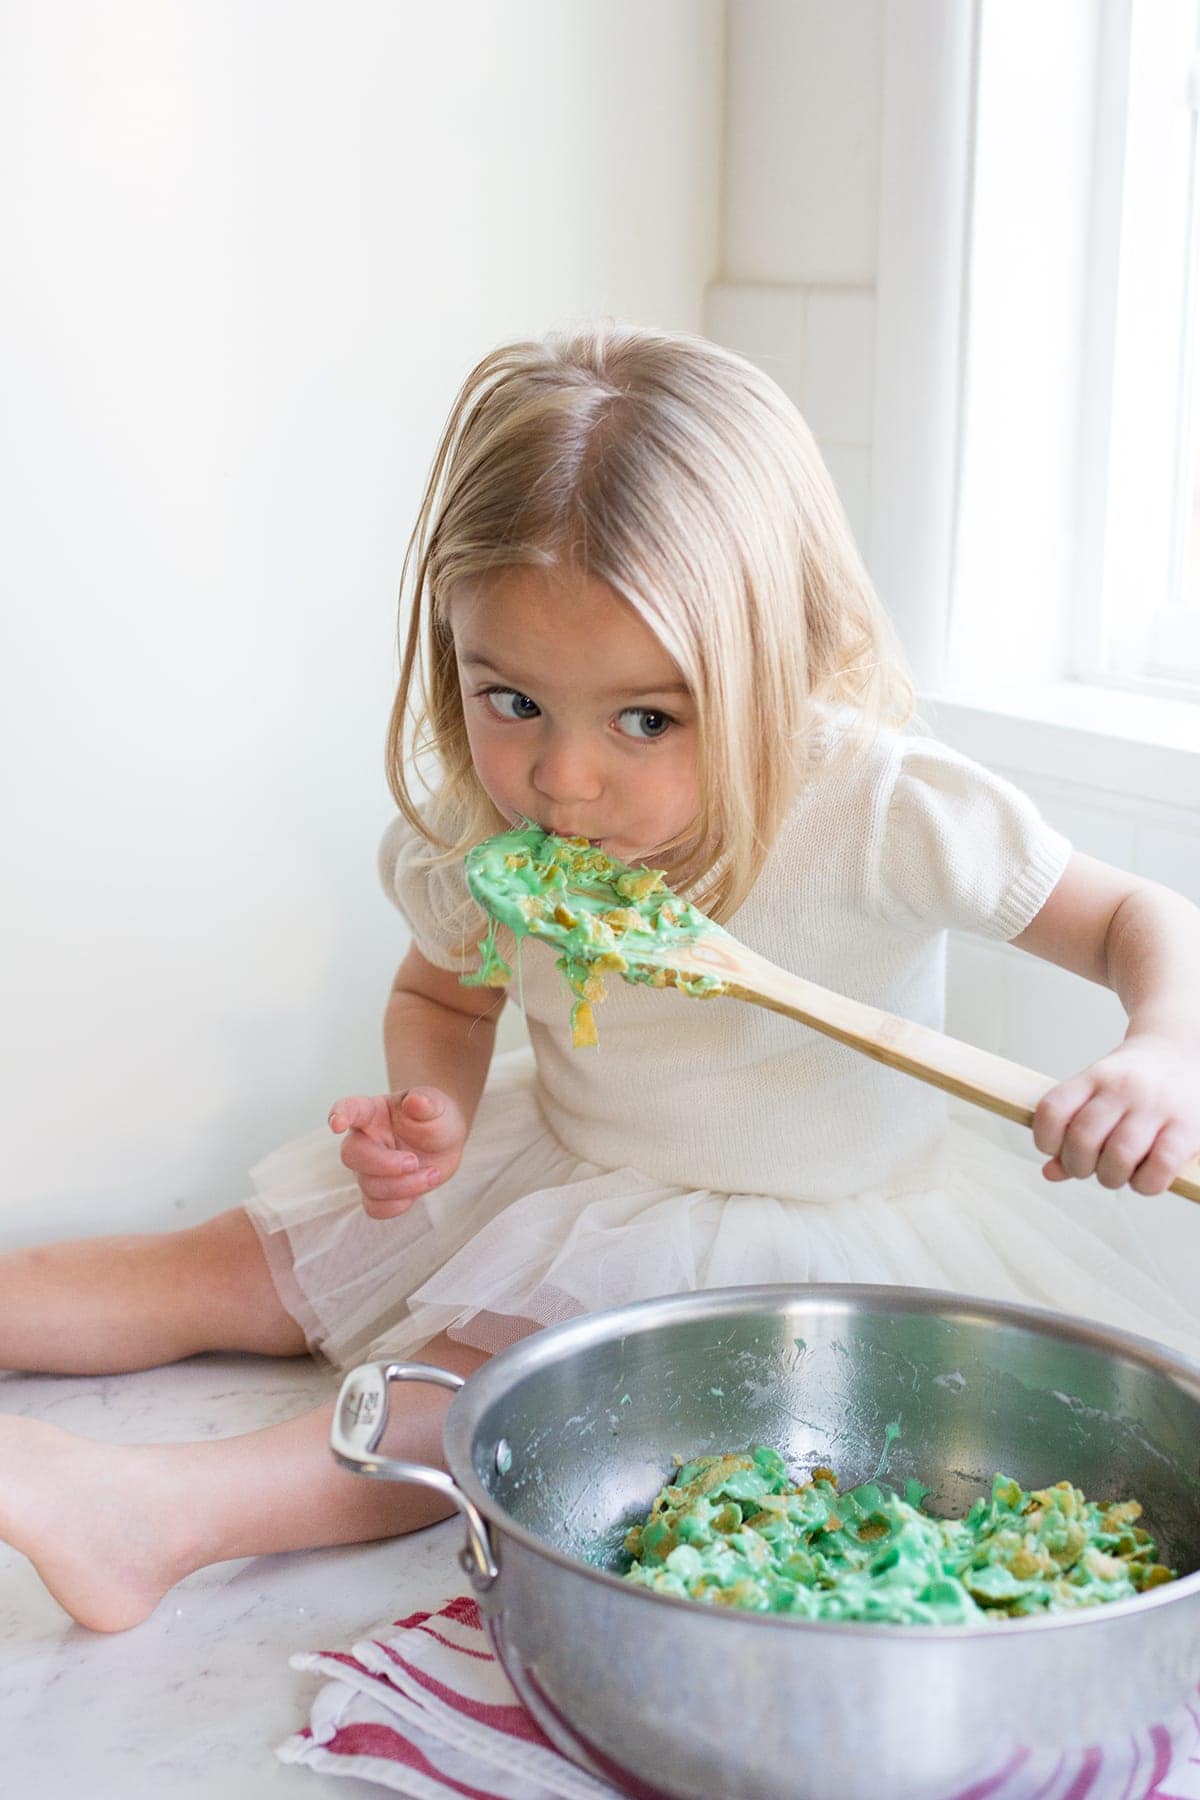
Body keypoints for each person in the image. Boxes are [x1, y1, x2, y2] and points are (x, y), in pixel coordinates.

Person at [3, 321, 1199, 1634]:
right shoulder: (495, 831)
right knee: (233, 1267)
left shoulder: (876, 805)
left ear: (777, 667)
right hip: (565, 1163)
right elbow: (444, 996)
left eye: (646, 719)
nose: (563, 781)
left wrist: (1161, 1048)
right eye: (510, 699)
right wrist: (432, 1115)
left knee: (478, 1388)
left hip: (810, 1245)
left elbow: (1141, 917)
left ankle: (152, 1519)